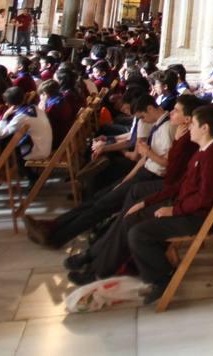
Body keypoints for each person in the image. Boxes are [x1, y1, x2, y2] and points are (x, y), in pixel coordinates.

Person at [63, 95, 202, 284]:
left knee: (130, 219)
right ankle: (94, 254)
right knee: (127, 210)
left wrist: (149, 155)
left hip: (174, 194)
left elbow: (175, 174)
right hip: (170, 187)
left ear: (189, 120)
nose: (171, 112)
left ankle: (99, 269)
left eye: (176, 110)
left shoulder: (189, 139)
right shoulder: (181, 133)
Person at [23, 95, 173, 249]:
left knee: (101, 206)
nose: (143, 121)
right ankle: (52, 225)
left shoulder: (167, 127)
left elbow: (166, 163)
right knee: (95, 199)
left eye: (142, 117)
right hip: (143, 173)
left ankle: (57, 237)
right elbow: (145, 159)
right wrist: (128, 177)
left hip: (150, 178)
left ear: (150, 109)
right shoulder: (158, 125)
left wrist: (146, 152)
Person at [123, 105, 213, 305]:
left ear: (205, 128)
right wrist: (146, 202)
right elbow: (179, 184)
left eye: (193, 125)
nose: (189, 128)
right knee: (133, 218)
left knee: (138, 233)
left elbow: (204, 199)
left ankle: (162, 278)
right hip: (186, 210)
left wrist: (173, 210)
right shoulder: (203, 151)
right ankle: (156, 266)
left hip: (197, 218)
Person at [0, 87, 53, 165]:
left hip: (37, 151)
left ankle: (20, 172)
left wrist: (4, 117)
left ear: (11, 104)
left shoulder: (21, 117)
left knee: (3, 143)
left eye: (6, 102)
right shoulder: (35, 108)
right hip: (44, 146)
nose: (6, 104)